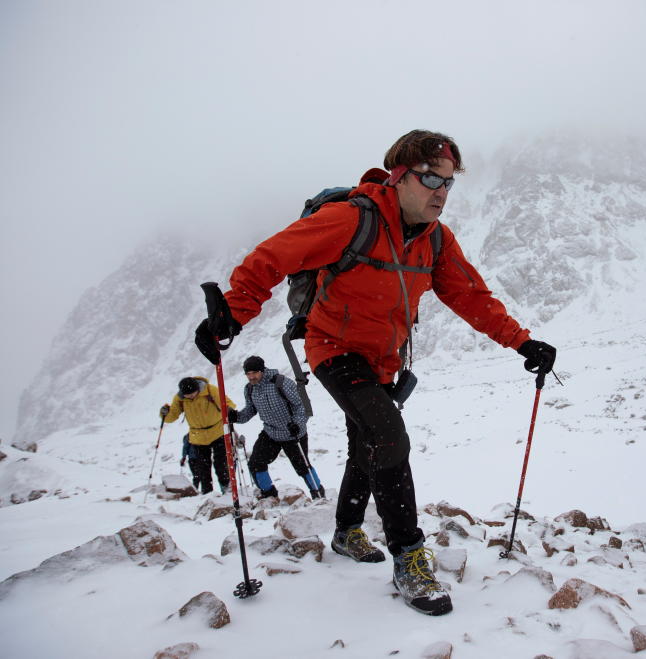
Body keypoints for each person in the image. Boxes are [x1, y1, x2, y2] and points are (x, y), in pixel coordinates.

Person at [194, 130, 556, 616]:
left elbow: (471, 296)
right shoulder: (350, 219)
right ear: (399, 176)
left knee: (367, 445)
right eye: (431, 179)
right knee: (389, 435)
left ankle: (346, 531)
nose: (440, 192)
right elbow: (274, 256)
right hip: (333, 349)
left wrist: (522, 341)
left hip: (385, 360)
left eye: (448, 183)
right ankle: (409, 557)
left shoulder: (437, 241)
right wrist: (232, 313)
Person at [228, 355, 325, 500]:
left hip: (293, 433)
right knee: (255, 463)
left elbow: (302, 406)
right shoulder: (249, 389)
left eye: (254, 373)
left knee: (302, 467)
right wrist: (236, 417)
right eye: (248, 374)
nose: (251, 377)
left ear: (262, 370)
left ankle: (318, 493)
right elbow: (250, 410)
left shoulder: (281, 383)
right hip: (271, 433)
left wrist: (297, 424)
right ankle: (268, 495)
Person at [160, 376, 236, 495]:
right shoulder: (180, 398)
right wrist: (164, 413)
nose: (190, 397)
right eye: (187, 395)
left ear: (197, 389)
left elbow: (228, 404)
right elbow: (172, 416)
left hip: (218, 431)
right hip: (198, 436)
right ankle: (207, 493)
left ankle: (226, 489)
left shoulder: (211, 390)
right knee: (203, 468)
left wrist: (230, 411)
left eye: (192, 394)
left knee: (221, 464)